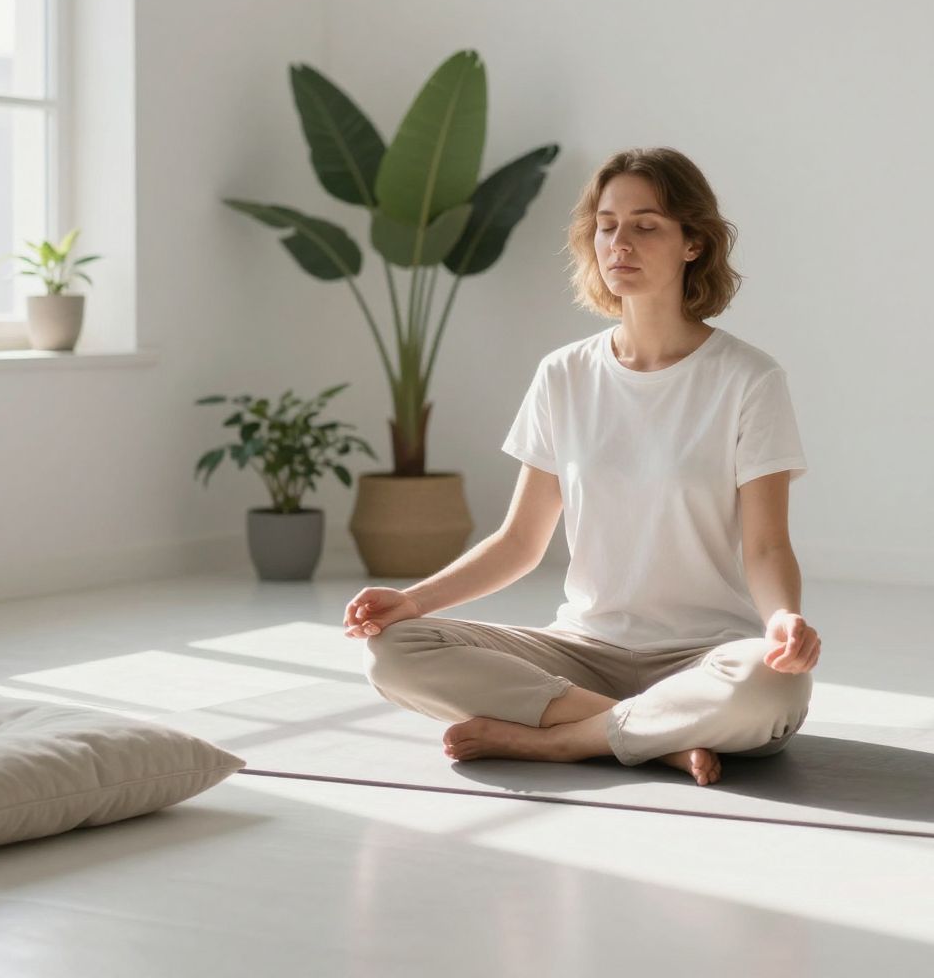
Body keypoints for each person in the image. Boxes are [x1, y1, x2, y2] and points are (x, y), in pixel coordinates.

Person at [341, 147, 819, 786]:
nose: (620, 241)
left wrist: (783, 619)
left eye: (646, 225)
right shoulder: (563, 374)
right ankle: (654, 735)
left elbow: (765, 546)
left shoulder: (749, 378)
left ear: (692, 245)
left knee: (770, 688)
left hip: (703, 655)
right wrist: (412, 599)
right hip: (582, 652)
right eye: (606, 223)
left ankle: (559, 742)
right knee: (392, 652)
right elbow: (518, 543)